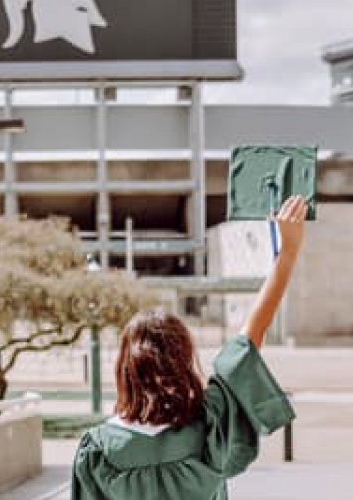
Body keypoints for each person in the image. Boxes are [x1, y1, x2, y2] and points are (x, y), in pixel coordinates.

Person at [71, 195, 308, 500]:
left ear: (126, 370)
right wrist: (287, 252)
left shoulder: (99, 451)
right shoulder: (209, 427)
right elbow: (251, 338)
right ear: (183, 360)